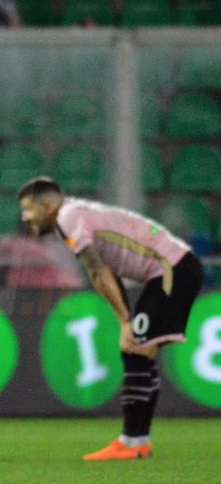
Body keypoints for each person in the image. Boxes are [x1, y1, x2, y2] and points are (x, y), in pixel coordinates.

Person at [18, 177, 204, 460]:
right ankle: (137, 441)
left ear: (46, 205)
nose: (25, 217)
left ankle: (132, 442)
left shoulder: (69, 218)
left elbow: (99, 273)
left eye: (28, 209)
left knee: (136, 347)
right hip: (174, 269)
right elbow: (107, 272)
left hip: (171, 270)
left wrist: (125, 322)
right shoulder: (72, 215)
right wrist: (126, 319)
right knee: (138, 350)